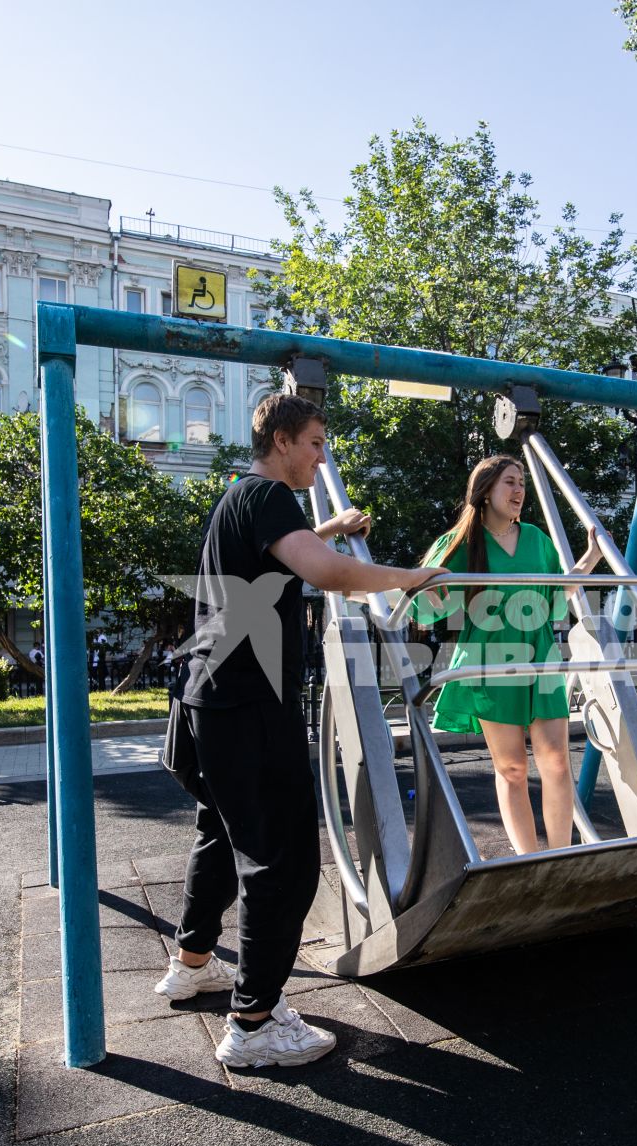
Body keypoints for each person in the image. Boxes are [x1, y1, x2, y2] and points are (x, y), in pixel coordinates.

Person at [155, 392, 445, 1069]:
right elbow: (327, 573)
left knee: (224, 837)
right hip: (249, 705)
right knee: (283, 862)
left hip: (208, 700)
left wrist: (334, 524)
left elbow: (300, 550)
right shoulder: (267, 499)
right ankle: (254, 1022)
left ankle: (193, 962)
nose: (322, 455)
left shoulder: (241, 500)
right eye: (316, 441)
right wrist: (410, 577)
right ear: (283, 441)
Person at [413, 456, 602, 857]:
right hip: (491, 660)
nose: (518, 492)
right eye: (509, 483)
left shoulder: (535, 539)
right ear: (485, 492)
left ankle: (560, 856)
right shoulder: (463, 543)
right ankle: (529, 858)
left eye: (522, 484)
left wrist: (591, 560)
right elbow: (425, 608)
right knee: (513, 768)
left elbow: (555, 598)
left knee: (555, 761)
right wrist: (424, 588)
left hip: (540, 658)